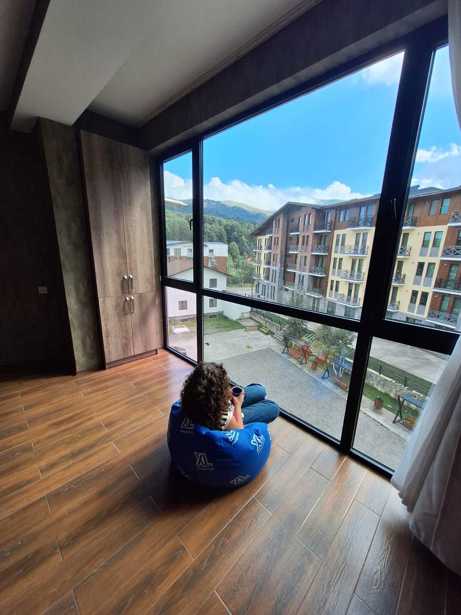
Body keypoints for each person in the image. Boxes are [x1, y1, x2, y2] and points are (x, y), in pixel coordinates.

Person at [180, 362, 279, 431]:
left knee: (260, 390)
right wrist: (238, 405)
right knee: (273, 408)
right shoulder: (221, 417)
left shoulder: (192, 398)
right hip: (232, 418)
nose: (228, 388)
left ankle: (259, 401)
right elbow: (239, 429)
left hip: (219, 406)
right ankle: (258, 405)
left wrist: (227, 396)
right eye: (225, 386)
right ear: (217, 395)